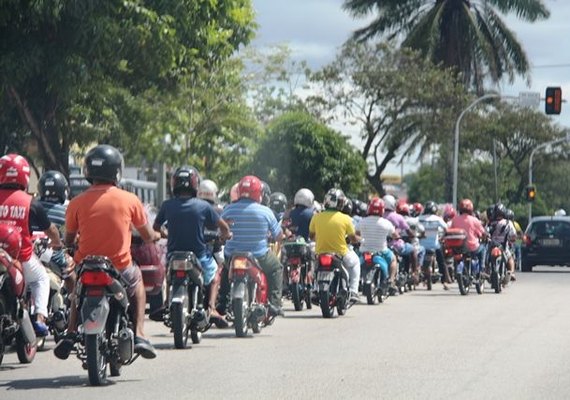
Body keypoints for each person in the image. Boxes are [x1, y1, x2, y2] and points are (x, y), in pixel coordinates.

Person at [55, 144, 160, 360]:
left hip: (86, 266)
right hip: (120, 268)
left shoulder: (76, 202)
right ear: (117, 171)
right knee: (138, 283)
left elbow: (68, 239)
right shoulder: (130, 200)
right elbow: (148, 235)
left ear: (87, 171)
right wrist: (157, 235)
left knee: (77, 291)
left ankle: (71, 332)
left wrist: (72, 243)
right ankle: (140, 334)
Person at [153, 168, 231, 328]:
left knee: (169, 274)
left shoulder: (167, 205)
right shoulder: (204, 206)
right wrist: (226, 236)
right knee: (216, 273)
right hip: (199, 257)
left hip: (174, 255)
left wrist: (166, 234)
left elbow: (156, 228)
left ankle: (167, 302)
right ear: (195, 184)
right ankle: (212, 307)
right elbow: (223, 227)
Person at [0, 154, 62, 337]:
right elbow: (50, 229)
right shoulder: (30, 202)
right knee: (41, 278)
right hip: (22, 257)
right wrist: (57, 243)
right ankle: (40, 318)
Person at [221, 175, 285, 317]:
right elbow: (278, 236)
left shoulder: (228, 209)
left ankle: (222, 303)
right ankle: (274, 304)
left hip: (232, 255)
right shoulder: (265, 211)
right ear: (259, 193)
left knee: (224, 271)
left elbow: (221, 230)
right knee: (276, 268)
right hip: (259, 255)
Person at [309, 188, 361, 302]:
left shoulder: (316, 217)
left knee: (314, 268)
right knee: (356, 263)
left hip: (320, 252)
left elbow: (311, 236)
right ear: (339, 203)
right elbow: (352, 238)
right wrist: (358, 240)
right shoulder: (346, 218)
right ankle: (353, 291)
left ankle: (314, 289)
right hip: (341, 253)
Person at [35, 170, 76, 300]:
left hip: (30, 251)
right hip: (53, 252)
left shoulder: (34, 204)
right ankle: (72, 304)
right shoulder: (68, 207)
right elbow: (69, 235)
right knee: (71, 275)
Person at [355, 197, 398, 294]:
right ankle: (391, 280)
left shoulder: (362, 221)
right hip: (382, 252)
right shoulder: (386, 223)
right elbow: (395, 235)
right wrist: (396, 237)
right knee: (393, 259)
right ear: (382, 209)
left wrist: (361, 240)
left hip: (364, 253)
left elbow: (356, 234)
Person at [382, 194, 419, 282]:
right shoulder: (398, 217)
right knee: (413, 250)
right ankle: (414, 273)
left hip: (382, 245)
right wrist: (413, 235)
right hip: (396, 246)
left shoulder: (379, 216)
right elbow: (409, 232)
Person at [449, 199, 487, 277]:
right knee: (483, 249)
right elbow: (483, 233)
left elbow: (451, 231)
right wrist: (486, 236)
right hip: (473, 247)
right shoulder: (474, 220)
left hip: (459, 248)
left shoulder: (455, 219)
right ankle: (482, 268)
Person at [418, 200, 449, 289]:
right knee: (442, 262)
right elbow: (446, 229)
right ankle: (444, 282)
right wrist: (442, 237)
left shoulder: (420, 218)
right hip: (435, 245)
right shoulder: (437, 219)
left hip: (421, 245)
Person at [488, 203, 517, 282]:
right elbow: (513, 235)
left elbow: (485, 233)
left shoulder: (491, 223)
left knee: (487, 258)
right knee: (510, 258)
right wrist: (512, 239)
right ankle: (512, 272)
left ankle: (486, 270)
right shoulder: (508, 223)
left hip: (492, 245)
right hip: (503, 246)